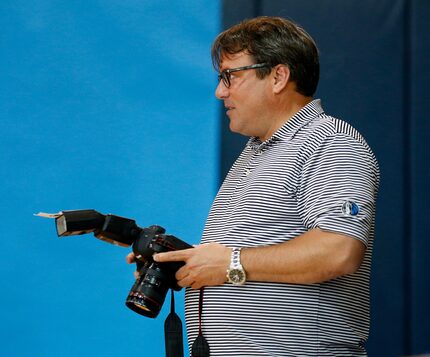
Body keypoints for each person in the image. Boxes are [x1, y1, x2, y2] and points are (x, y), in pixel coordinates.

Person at [127, 16, 379, 356]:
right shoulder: (254, 153)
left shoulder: (331, 142)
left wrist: (230, 263)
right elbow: (244, 263)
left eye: (230, 76)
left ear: (278, 76)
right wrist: (188, 265)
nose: (220, 91)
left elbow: (339, 250)